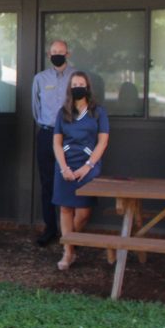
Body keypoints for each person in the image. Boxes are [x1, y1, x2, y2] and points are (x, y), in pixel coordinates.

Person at [52, 71, 109, 270]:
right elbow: (57, 143)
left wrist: (88, 166)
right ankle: (68, 252)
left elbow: (103, 142)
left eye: (81, 84)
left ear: (87, 87)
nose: (78, 87)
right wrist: (64, 168)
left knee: (84, 212)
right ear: (70, 88)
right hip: (65, 165)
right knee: (65, 209)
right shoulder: (63, 112)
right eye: (74, 84)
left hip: (88, 165)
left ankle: (70, 242)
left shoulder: (98, 112)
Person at [31, 39, 74, 246]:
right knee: (47, 183)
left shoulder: (76, 77)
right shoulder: (40, 78)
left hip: (70, 135)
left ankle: (71, 231)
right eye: (54, 51)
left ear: (68, 54)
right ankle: (50, 228)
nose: (57, 54)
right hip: (47, 134)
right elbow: (35, 107)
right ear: (49, 55)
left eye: (61, 51)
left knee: (70, 179)